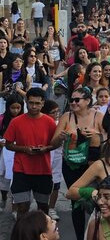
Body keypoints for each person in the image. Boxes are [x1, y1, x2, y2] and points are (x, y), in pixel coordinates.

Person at [50, 86, 105, 240]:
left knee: (98, 200)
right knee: (76, 202)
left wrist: (96, 135)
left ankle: (98, 234)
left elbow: (108, 139)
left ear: (87, 101)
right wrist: (60, 137)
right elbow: (53, 143)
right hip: (71, 166)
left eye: (77, 100)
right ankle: (80, 237)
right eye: (71, 100)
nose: (73, 103)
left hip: (93, 164)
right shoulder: (66, 117)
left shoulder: (98, 116)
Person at [4, 88, 57, 221]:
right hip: (21, 170)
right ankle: (21, 234)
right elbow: (8, 144)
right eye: (31, 103)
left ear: (43, 103)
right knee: (22, 207)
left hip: (43, 170)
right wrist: (24, 149)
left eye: (37, 103)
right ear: (26, 102)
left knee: (43, 207)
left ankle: (42, 233)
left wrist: (46, 148)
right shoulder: (16, 122)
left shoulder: (49, 122)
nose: (34, 106)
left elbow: (56, 144)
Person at [40, 100, 62, 221]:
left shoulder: (60, 124)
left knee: (56, 184)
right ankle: (42, 209)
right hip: (43, 158)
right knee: (43, 185)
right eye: (53, 112)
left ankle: (51, 208)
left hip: (57, 158)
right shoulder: (42, 124)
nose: (56, 114)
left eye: (57, 111)